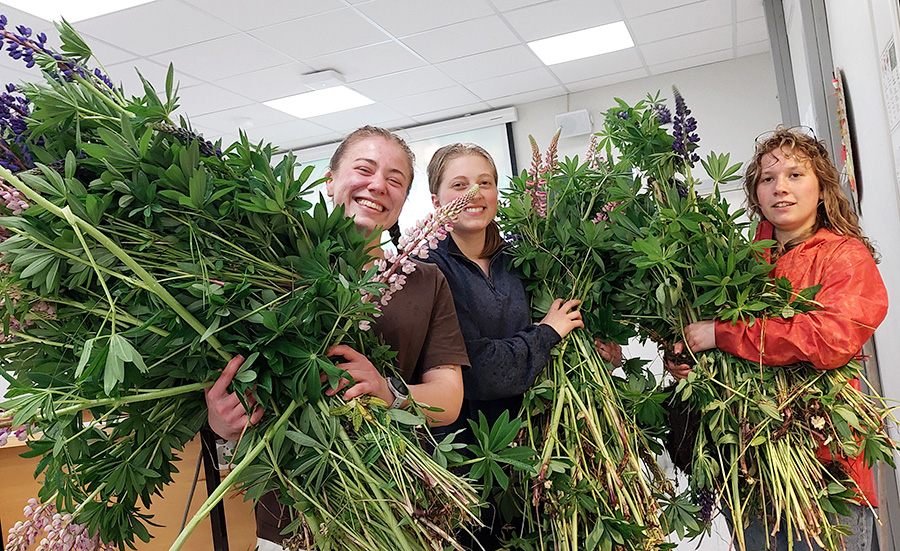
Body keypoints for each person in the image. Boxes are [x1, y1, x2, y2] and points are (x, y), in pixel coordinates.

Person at [205, 126, 469, 551]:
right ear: (329, 181)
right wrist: (221, 421)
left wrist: (389, 392)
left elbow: (449, 397)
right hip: (289, 509)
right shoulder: (271, 261)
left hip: (395, 504)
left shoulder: (427, 279)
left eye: (396, 180)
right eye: (364, 169)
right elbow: (227, 378)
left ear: (403, 200)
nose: (378, 185)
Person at [667, 126, 888, 551]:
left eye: (794, 175)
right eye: (767, 179)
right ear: (755, 195)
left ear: (823, 189)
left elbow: (830, 339)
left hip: (823, 466)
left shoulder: (844, 254)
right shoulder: (736, 264)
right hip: (748, 462)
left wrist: (723, 334)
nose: (780, 188)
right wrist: (689, 360)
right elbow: (715, 346)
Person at [424, 143, 622, 548]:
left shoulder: (528, 253)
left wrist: (600, 353)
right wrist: (547, 334)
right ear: (435, 200)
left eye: (485, 182)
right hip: (477, 455)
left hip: (550, 442)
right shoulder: (430, 270)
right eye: (459, 184)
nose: (473, 193)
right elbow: (476, 370)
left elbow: (566, 334)